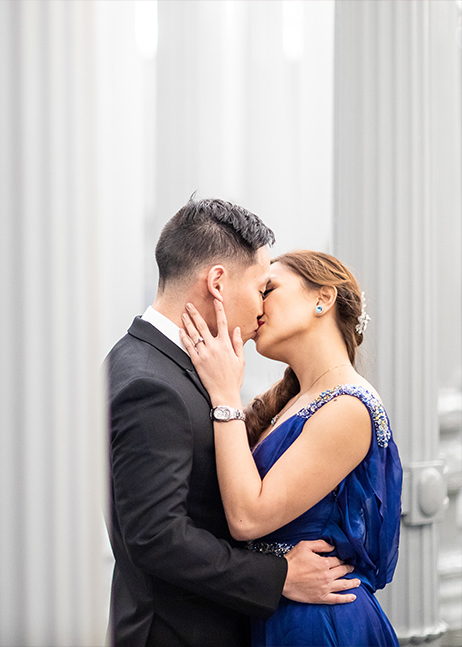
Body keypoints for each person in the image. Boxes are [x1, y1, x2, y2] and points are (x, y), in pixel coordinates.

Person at [105, 198, 360, 647]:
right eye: (261, 287)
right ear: (217, 282)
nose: (262, 307)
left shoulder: (150, 360)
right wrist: (278, 577)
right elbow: (156, 536)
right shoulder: (152, 383)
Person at [178, 249, 402, 646]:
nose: (257, 303)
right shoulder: (287, 401)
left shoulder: (348, 406)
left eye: (269, 288)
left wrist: (225, 392)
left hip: (320, 621)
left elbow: (248, 518)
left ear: (323, 298)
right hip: (277, 609)